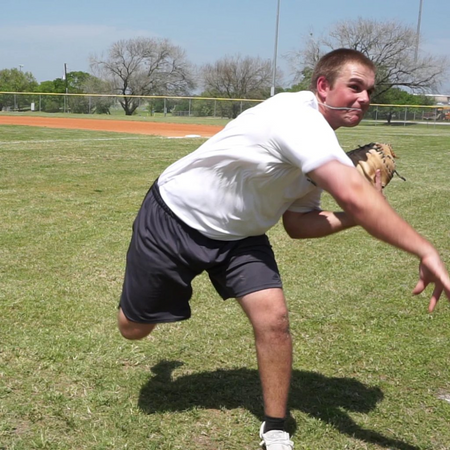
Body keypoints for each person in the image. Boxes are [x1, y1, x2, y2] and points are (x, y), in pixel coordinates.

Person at [117, 48, 450, 450]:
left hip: (241, 238)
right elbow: (353, 195)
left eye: (369, 92)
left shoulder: (321, 154)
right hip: (175, 218)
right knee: (134, 329)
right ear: (323, 86)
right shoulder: (295, 118)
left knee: (274, 321)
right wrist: (423, 249)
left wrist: (352, 214)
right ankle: (155, 358)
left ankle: (275, 426)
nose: (364, 98)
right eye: (354, 87)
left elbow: (298, 224)